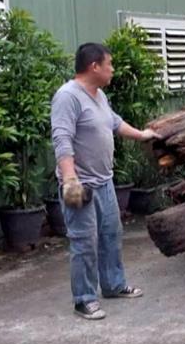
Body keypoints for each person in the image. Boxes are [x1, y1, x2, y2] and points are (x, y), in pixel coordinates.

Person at [51, 42, 159, 320]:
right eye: (109, 64)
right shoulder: (67, 97)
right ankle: (84, 299)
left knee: (111, 236)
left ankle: (113, 285)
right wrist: (70, 179)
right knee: (84, 242)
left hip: (105, 182)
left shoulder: (98, 96)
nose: (112, 70)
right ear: (94, 66)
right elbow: (62, 139)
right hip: (81, 183)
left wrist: (142, 135)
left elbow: (114, 122)